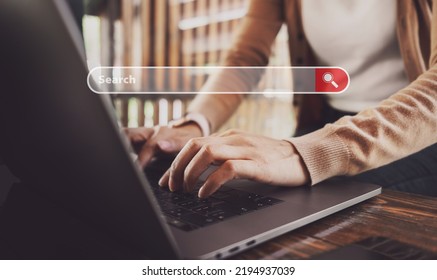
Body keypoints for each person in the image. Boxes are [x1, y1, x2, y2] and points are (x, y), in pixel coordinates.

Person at [125, 0, 437, 198]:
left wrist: (304, 153)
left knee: (314, 207)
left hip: (418, 138)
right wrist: (194, 124)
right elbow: (245, 58)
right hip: (329, 122)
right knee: (245, 192)